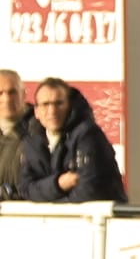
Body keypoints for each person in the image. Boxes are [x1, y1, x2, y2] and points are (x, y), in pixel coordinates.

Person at [19, 78, 126, 203]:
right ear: (36, 112)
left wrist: (48, 200)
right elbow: (26, 190)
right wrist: (58, 184)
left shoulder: (89, 135)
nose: (52, 111)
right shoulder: (31, 141)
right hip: (50, 220)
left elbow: (89, 191)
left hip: (100, 220)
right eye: (45, 104)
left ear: (69, 106)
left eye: (59, 103)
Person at [0, 69, 28, 200]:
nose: (6, 99)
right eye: (0, 93)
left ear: (23, 94)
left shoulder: (41, 132)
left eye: (12, 92)